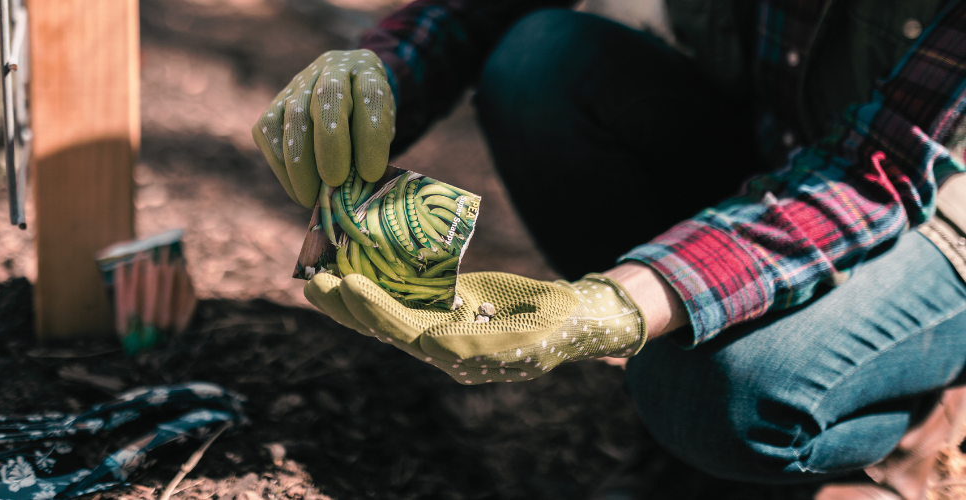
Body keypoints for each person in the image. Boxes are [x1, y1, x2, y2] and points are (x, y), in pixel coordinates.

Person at [252, 1, 966, 498]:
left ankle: (891, 424)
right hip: (780, 152)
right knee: (541, 62)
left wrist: (618, 303)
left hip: (928, 210)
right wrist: (382, 74)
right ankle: (687, 428)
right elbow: (479, 12)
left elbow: (870, 175)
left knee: (726, 394)